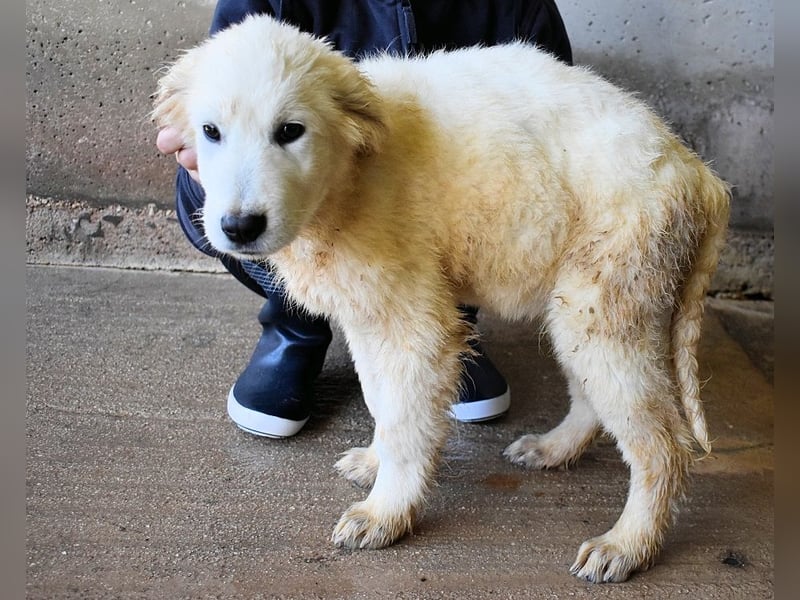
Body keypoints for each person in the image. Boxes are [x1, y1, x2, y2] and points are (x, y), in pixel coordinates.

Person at [156, 0, 573, 438]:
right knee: (240, 196)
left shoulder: (520, 8)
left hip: (440, 204)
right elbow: (221, 84)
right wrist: (204, 155)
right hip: (326, 205)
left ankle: (450, 320)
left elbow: (551, 125)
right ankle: (296, 327)